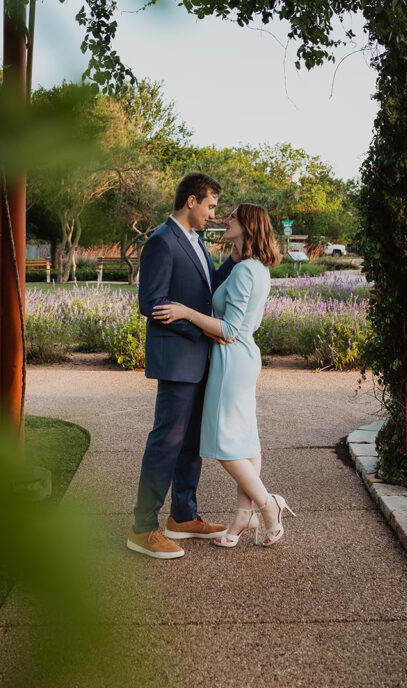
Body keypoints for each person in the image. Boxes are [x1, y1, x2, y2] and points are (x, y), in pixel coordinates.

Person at [152, 203, 295, 548]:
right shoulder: (254, 267)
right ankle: (242, 517)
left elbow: (229, 329)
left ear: (247, 225)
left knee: (224, 443)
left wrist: (185, 311)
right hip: (243, 355)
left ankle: (267, 503)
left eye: (232, 216)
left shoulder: (246, 271)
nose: (225, 220)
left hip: (231, 358)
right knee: (245, 438)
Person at [126, 173, 238, 560]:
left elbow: (204, 292)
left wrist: (236, 261)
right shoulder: (161, 242)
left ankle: (183, 516)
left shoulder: (195, 241)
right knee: (166, 441)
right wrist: (200, 332)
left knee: (191, 442)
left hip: (199, 358)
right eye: (210, 206)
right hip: (177, 358)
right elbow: (151, 303)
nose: (212, 214)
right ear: (191, 201)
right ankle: (142, 528)